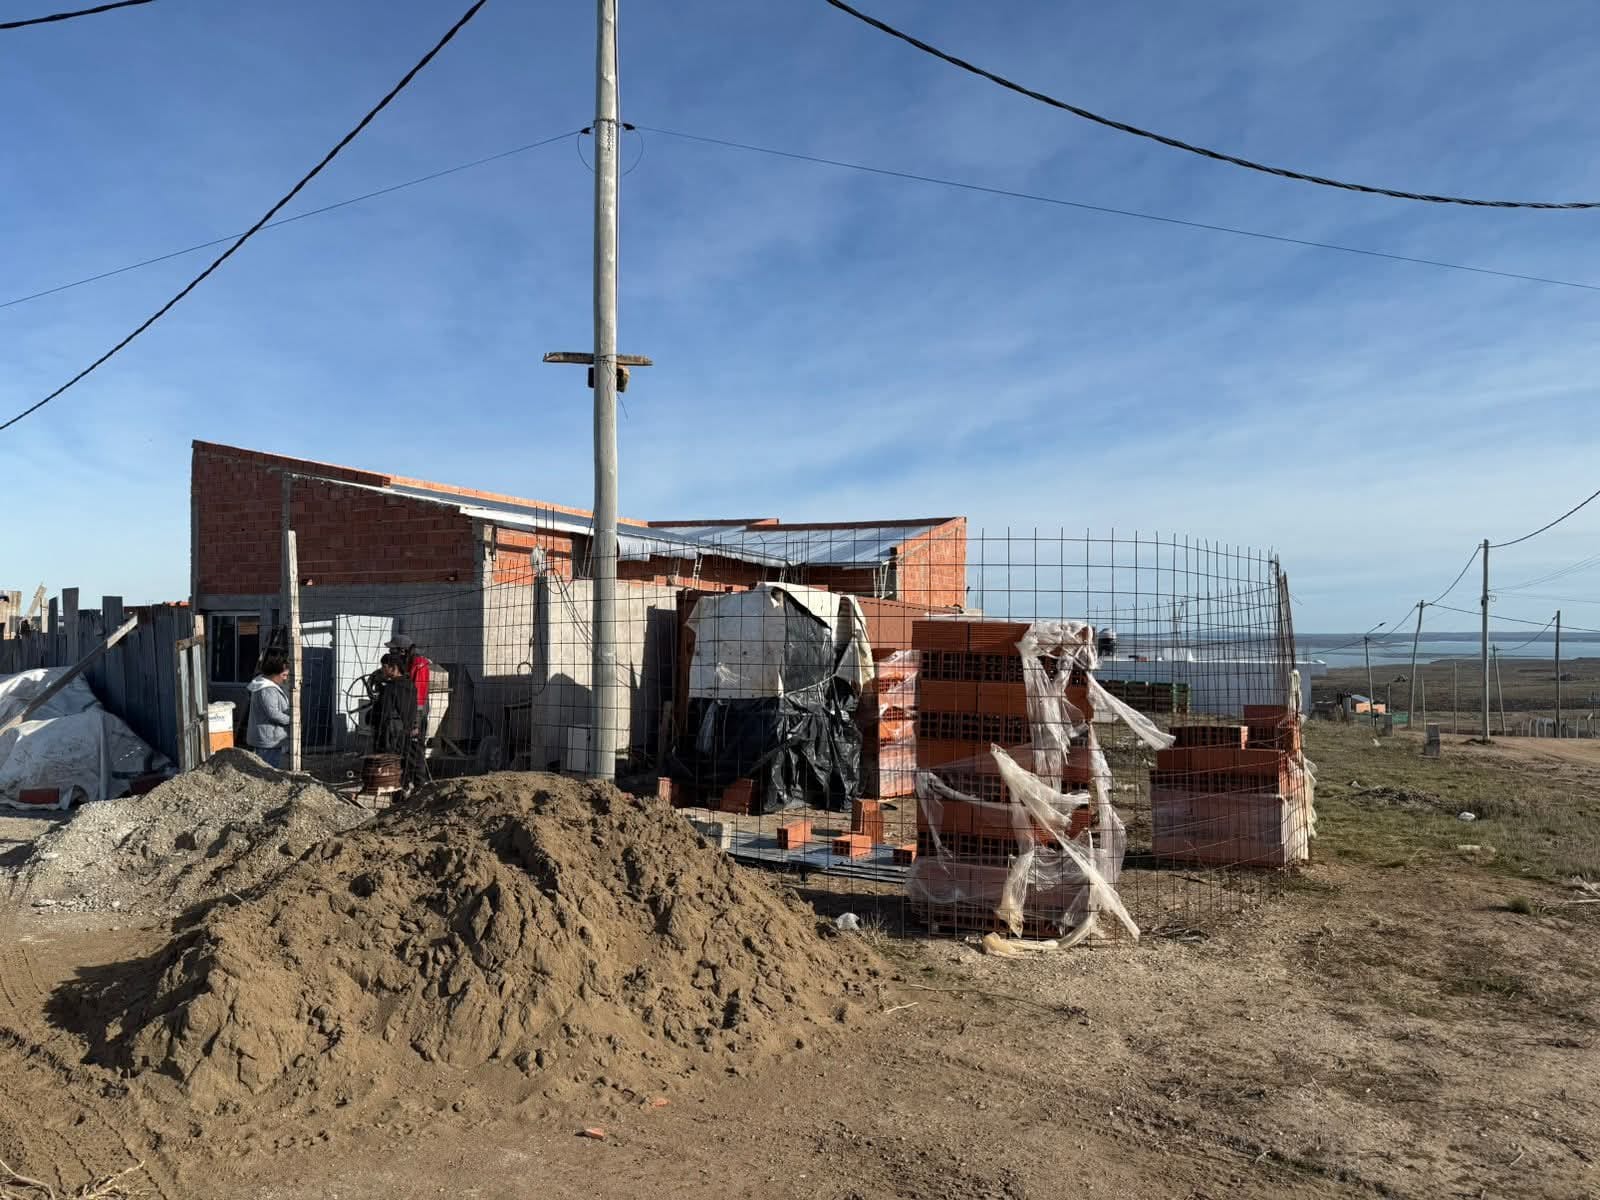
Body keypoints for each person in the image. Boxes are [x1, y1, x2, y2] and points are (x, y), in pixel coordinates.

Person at [367, 653, 419, 769]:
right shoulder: (411, 686)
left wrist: (370, 715)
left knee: (389, 767)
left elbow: (384, 714)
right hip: (407, 733)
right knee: (404, 766)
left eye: (384, 667)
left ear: (393, 668)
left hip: (391, 737)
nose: (382, 670)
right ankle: (406, 785)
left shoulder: (390, 689)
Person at [246, 652, 292, 768]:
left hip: (267, 736)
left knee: (264, 768)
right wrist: (292, 720)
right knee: (268, 770)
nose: (285, 679)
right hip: (268, 738)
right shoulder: (267, 689)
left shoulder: (264, 684)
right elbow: (273, 714)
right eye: (284, 675)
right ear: (274, 674)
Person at [385, 634, 432, 742]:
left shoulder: (418, 664)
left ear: (402, 651)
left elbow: (416, 692)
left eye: (392, 651)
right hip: (411, 707)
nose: (390, 654)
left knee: (412, 743)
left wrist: (413, 720)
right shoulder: (409, 662)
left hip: (416, 709)